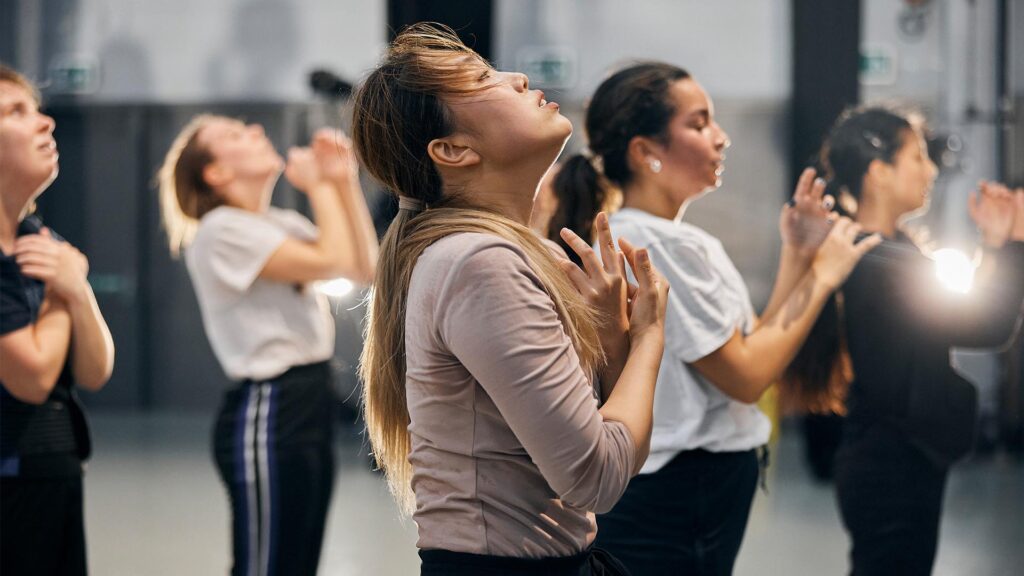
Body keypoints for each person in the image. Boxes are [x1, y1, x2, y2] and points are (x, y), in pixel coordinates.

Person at [352, 23, 670, 575]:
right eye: (483, 78)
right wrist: (649, 337)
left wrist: (614, 340)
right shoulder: (478, 264)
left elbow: (604, 447)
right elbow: (596, 477)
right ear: (453, 150)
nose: (518, 77)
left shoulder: (511, 253)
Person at [557, 62, 880, 575]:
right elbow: (748, 378)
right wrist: (824, 276)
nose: (722, 138)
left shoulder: (670, 237)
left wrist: (797, 253)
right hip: (681, 492)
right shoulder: (659, 243)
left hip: (684, 491)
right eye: (699, 123)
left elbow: (756, 344)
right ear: (645, 152)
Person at [784, 106, 1024, 576]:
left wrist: (997, 245)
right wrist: (1011, 243)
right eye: (917, 157)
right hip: (891, 463)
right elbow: (987, 324)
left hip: (889, 456)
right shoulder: (880, 261)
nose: (930, 170)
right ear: (879, 172)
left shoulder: (883, 249)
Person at [157, 116, 378, 576]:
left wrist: (343, 180)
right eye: (235, 135)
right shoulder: (220, 229)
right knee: (264, 565)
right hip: (268, 407)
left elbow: (362, 267)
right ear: (214, 173)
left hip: (310, 397)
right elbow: (332, 258)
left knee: (297, 561)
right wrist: (319, 186)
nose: (256, 130)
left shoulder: (279, 221)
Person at [0, 64, 116, 576]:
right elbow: (30, 376)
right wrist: (62, 289)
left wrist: (77, 290)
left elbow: (93, 371)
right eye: (16, 112)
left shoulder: (43, 245)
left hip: (53, 476)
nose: (45, 123)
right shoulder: (46, 262)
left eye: (39, 109)